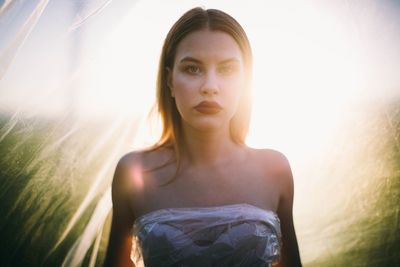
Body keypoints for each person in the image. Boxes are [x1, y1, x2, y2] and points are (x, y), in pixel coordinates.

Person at [104, 7, 302, 267]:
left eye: (227, 69)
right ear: (170, 81)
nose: (210, 86)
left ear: (246, 82)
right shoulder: (134, 172)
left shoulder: (275, 170)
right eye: (192, 68)